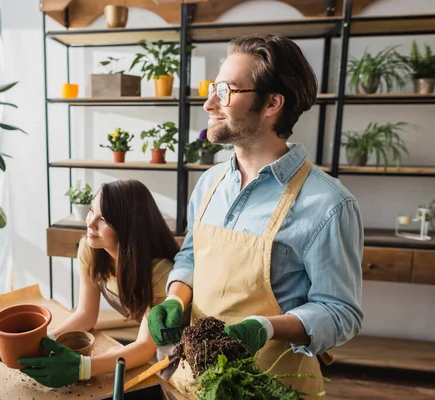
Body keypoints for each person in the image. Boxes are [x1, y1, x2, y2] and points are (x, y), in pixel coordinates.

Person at [147, 34, 364, 396]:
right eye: (213, 88)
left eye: (226, 91)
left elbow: (342, 312)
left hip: (271, 386)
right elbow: (191, 255)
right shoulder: (209, 183)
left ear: (272, 103)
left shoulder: (328, 204)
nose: (208, 103)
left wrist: (265, 327)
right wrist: (175, 297)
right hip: (195, 380)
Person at [18, 179, 182, 388]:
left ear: (128, 226)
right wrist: (44, 341)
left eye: (103, 218)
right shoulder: (91, 249)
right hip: (148, 345)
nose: (90, 223)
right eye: (91, 211)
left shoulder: (160, 273)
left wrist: (83, 367)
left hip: (178, 349)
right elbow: (86, 314)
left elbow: (144, 347)